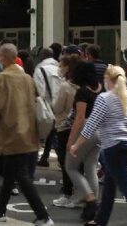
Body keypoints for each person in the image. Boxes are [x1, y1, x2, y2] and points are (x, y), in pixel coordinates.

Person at [71, 65, 127, 226]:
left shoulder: (105, 98)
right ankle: (101, 220)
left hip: (114, 146)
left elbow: (91, 124)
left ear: (108, 79)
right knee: (110, 183)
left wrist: (76, 144)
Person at [0, 44, 54, 225]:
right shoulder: (27, 78)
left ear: (3, 57)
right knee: (11, 173)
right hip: (28, 132)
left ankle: (42, 216)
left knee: (21, 176)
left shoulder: (3, 77)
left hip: (11, 133)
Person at [65, 61, 103, 222]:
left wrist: (71, 140)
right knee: (91, 167)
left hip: (86, 130)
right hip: (101, 131)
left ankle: (90, 199)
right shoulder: (101, 88)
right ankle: (94, 204)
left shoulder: (82, 92)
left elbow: (79, 118)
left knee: (71, 167)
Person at [51, 54, 82, 209]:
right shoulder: (83, 86)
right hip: (81, 127)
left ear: (67, 67)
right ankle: (81, 193)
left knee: (65, 162)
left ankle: (67, 193)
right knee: (79, 162)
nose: (59, 68)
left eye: (61, 65)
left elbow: (57, 107)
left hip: (64, 126)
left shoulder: (65, 86)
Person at [34, 48, 61, 167]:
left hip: (47, 105)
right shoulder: (59, 67)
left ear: (42, 56)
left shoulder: (40, 69)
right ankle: (53, 157)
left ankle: (44, 156)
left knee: (44, 131)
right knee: (56, 132)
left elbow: (40, 91)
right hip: (61, 106)